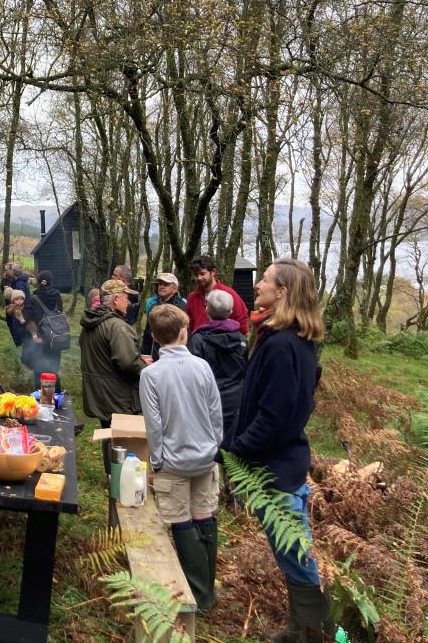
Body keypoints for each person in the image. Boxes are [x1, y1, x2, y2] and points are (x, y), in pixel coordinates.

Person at [221, 258, 335, 643]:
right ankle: (301, 628)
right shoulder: (280, 337)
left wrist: (237, 451)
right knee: (291, 552)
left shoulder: (286, 345)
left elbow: (274, 417)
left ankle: (316, 632)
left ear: (283, 291)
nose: (258, 286)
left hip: (277, 469)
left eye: (265, 280)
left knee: (296, 554)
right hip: (276, 464)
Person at [139, 304, 222, 611]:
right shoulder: (202, 367)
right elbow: (216, 413)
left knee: (181, 520)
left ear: (154, 337)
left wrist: (157, 461)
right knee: (204, 516)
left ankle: (199, 594)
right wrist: (215, 447)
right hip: (205, 458)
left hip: (172, 462)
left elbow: (154, 424)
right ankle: (206, 592)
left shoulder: (151, 374)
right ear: (185, 332)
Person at [79, 279, 150, 467]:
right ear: (116, 299)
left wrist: (138, 358)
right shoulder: (117, 327)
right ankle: (120, 484)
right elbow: (127, 363)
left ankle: (110, 477)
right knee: (123, 442)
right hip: (117, 396)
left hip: (100, 394)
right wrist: (148, 369)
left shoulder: (92, 323)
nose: (129, 303)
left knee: (110, 436)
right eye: (127, 298)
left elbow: (104, 356)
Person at [188, 288, 247, 437]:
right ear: (231, 310)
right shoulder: (242, 340)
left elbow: (192, 375)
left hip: (206, 403)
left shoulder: (198, 340)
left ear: (207, 310)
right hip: (235, 404)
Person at [186, 255, 249, 334]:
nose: (199, 278)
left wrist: (236, 341)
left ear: (213, 272)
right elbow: (190, 323)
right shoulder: (192, 297)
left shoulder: (228, 293)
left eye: (202, 274)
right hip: (200, 343)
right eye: (196, 275)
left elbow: (242, 319)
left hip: (224, 343)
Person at [23, 270, 64, 389]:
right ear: (51, 282)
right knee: (53, 370)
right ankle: (56, 400)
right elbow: (60, 314)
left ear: (38, 281)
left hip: (40, 341)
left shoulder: (32, 299)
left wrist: (34, 336)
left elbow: (28, 320)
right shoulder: (57, 296)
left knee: (39, 371)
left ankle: (41, 400)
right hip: (55, 339)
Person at [140, 272, 188, 358]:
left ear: (174, 289)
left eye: (166, 284)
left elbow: (184, 335)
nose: (161, 286)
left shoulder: (181, 308)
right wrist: (145, 354)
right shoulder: (153, 306)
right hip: (154, 356)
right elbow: (148, 333)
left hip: (174, 357)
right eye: (160, 284)